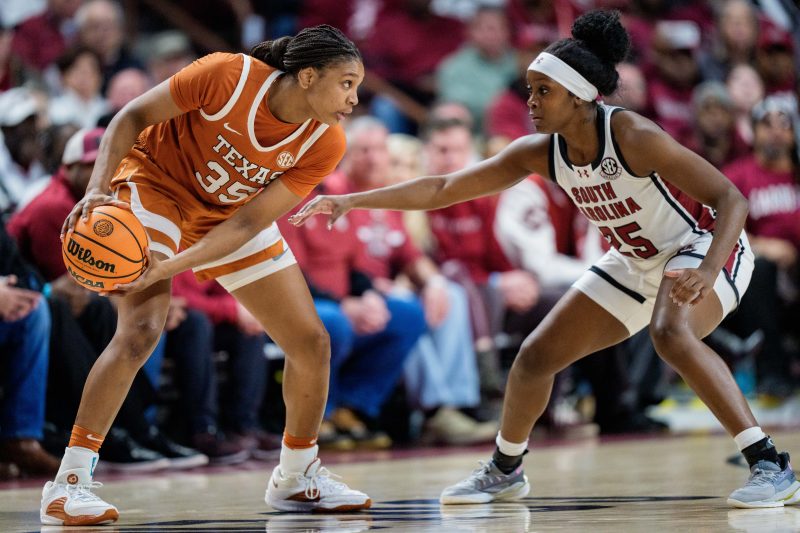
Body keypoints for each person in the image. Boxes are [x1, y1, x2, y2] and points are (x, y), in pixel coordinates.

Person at [291, 10, 799, 509]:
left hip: (705, 245)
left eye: (543, 91)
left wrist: (708, 270)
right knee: (535, 357)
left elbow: (731, 198)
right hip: (635, 260)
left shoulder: (632, 135)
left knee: (670, 332)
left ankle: (770, 464)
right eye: (529, 90)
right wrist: (353, 200)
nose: (530, 101)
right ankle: (505, 469)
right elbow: (443, 187)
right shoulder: (540, 151)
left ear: (578, 96)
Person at [40, 25, 370, 526]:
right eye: (346, 83)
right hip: (156, 187)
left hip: (228, 215)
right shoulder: (227, 75)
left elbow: (246, 224)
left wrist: (171, 265)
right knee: (141, 330)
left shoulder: (325, 143)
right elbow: (130, 117)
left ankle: (296, 476)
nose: (354, 98)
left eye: (357, 87)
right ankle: (68, 484)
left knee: (311, 343)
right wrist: (97, 189)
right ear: (307, 76)